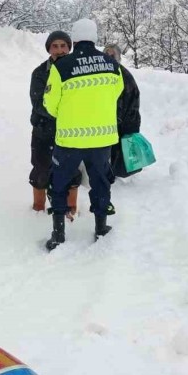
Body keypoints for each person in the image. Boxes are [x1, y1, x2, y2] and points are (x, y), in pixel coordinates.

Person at [41, 18, 124, 251]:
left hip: (69, 139)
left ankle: (58, 235)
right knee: (100, 182)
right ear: (95, 37)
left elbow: (50, 104)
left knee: (59, 184)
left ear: (74, 39)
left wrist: (70, 114)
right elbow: (116, 93)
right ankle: (100, 228)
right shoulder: (111, 63)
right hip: (102, 139)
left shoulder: (61, 67)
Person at [29, 31, 81, 215]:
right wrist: (63, 113)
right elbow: (38, 103)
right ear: (49, 49)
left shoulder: (78, 70)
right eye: (55, 46)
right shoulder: (40, 73)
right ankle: (38, 208)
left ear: (69, 47)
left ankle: (71, 209)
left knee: (71, 171)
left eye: (63, 46)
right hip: (43, 130)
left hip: (71, 131)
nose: (59, 50)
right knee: (41, 168)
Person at [103, 44, 141, 186]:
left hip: (122, 120)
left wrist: (128, 121)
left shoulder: (124, 75)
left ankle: (115, 173)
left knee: (119, 150)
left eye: (112, 55)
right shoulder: (99, 74)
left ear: (118, 57)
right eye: (106, 53)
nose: (109, 57)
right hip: (103, 121)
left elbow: (133, 99)